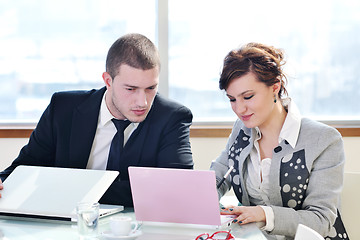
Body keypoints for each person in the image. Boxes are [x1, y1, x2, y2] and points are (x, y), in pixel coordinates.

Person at [0, 33, 194, 207]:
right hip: (66, 225)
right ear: (108, 81)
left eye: (151, 88)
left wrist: (73, 188)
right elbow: (25, 169)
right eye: (131, 89)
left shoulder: (172, 117)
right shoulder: (63, 108)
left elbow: (177, 189)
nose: (142, 101)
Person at [211, 43, 348, 240]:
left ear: (275, 87)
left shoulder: (324, 140)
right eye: (232, 99)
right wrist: (205, 200)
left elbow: (321, 220)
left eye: (247, 97)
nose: (239, 109)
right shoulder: (242, 129)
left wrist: (263, 214)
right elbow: (220, 173)